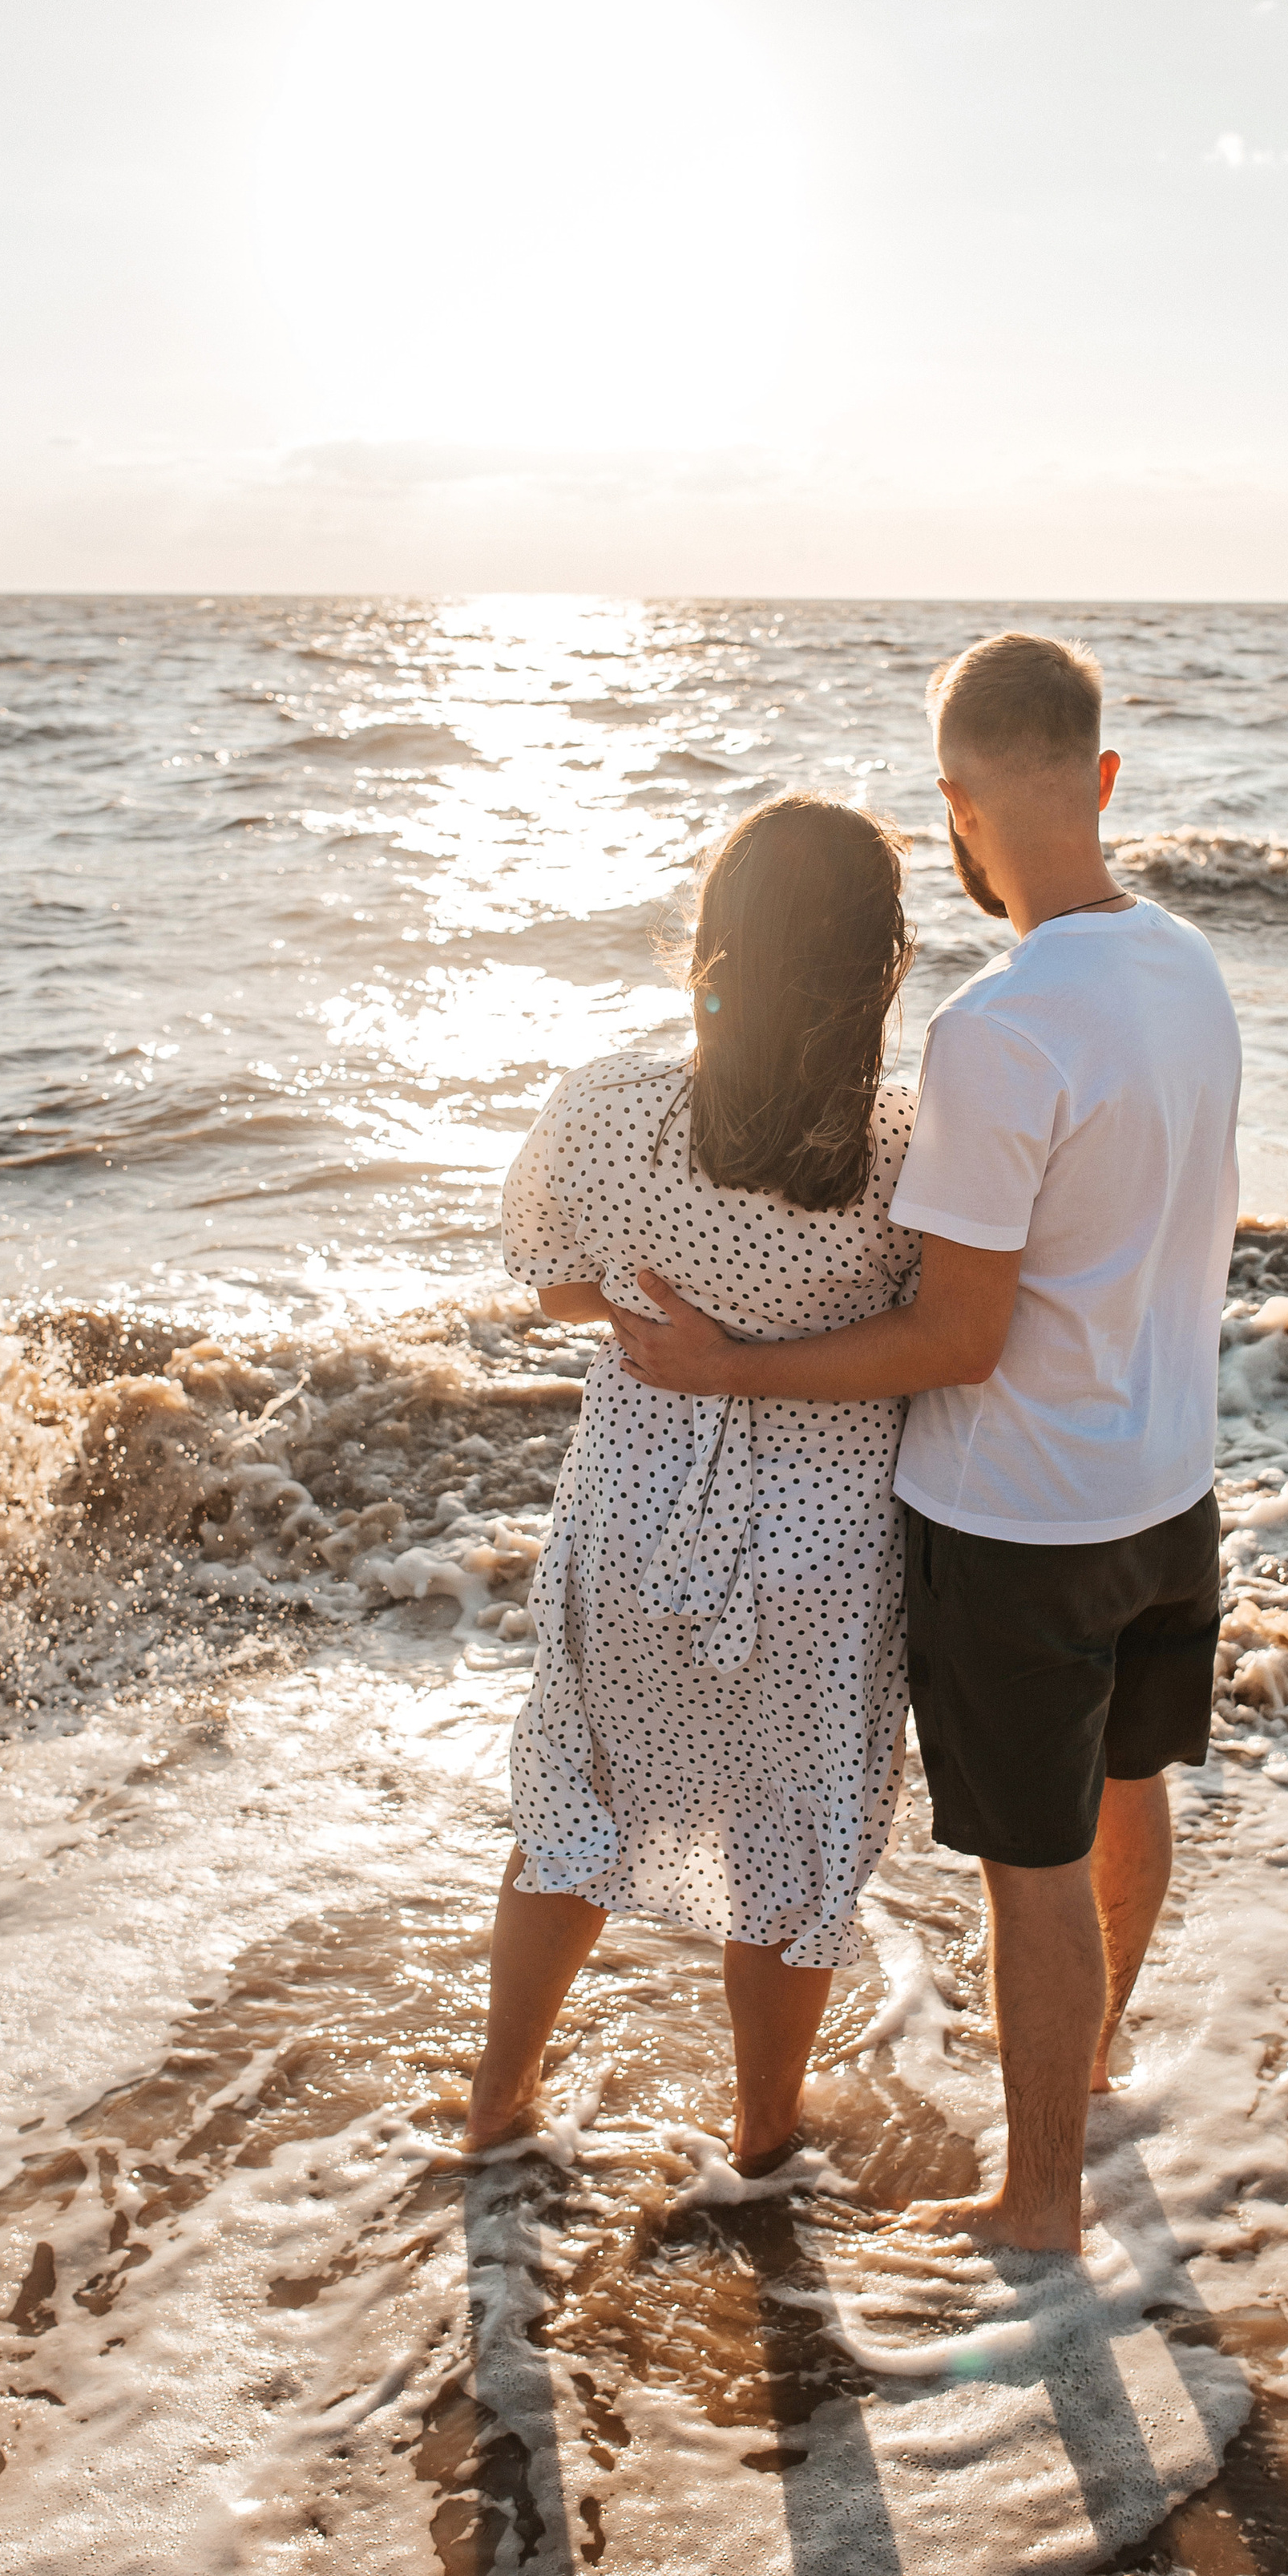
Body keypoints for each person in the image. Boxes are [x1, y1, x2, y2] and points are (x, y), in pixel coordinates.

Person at [611, 630, 1242, 2255]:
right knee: (1127, 1790)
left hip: (1022, 1519)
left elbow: (957, 1338)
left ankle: (1039, 2202)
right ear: (1101, 778)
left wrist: (729, 1364)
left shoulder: (999, 1026)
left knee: (1030, 1864)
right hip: (1170, 1482)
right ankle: (1086, 2074)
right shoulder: (1187, 964)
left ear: (954, 803)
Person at [464, 793, 921, 2172]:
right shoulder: (906, 1146)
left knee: (578, 1807)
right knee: (787, 1843)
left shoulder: (608, 1109)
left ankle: (496, 2106)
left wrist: (651, 1312)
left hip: (637, 1511)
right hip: (822, 1541)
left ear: (714, 941)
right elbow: (939, 1335)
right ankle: (765, 2141)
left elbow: (550, 1278)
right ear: (877, 964)